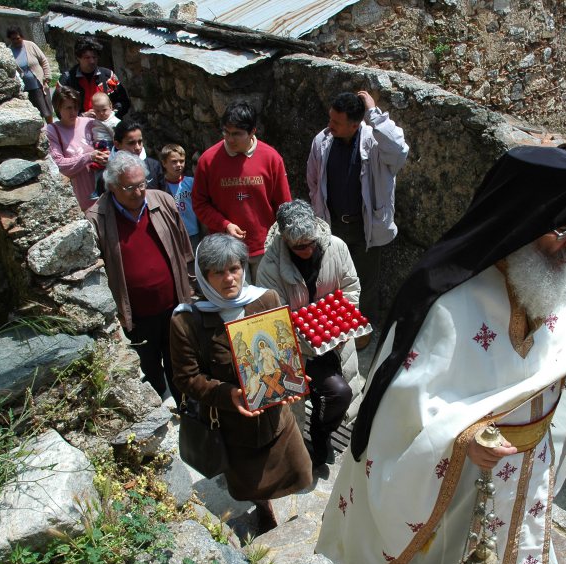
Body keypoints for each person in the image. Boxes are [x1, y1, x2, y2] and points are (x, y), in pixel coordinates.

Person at [315, 146, 566, 564]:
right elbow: (403, 408)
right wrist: (462, 441)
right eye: (564, 229)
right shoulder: (449, 301)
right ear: (525, 219)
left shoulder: (553, 276)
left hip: (529, 469)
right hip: (457, 479)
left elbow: (560, 346)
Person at [170, 233, 312, 533]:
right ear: (204, 276)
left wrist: (292, 376)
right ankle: (263, 507)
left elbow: (280, 348)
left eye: (234, 269)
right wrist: (227, 394)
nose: (229, 279)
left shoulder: (265, 299)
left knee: (297, 470)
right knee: (252, 483)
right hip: (235, 426)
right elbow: (186, 378)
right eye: (218, 272)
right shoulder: (187, 321)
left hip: (275, 416)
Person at [256, 200, 361, 467]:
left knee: (340, 394)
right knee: (318, 396)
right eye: (299, 247)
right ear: (285, 242)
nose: (307, 250)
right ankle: (306, 438)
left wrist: (337, 319)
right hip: (298, 348)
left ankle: (321, 431)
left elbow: (351, 287)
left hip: (335, 342)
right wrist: (308, 331)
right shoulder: (269, 267)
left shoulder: (336, 247)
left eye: (312, 243)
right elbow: (273, 318)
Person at [86, 152, 193, 400]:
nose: (138, 192)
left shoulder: (162, 202)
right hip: (135, 317)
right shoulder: (96, 218)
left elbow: (185, 251)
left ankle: (188, 413)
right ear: (112, 186)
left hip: (173, 308)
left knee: (181, 366)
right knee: (149, 371)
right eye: (129, 187)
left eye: (142, 184)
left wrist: (192, 293)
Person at [307, 90, 408, 336]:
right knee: (331, 281)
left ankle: (362, 332)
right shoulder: (322, 140)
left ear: (355, 124)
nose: (329, 126)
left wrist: (374, 114)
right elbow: (312, 180)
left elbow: (399, 150)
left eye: (336, 122)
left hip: (366, 228)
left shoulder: (374, 142)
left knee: (365, 284)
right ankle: (335, 330)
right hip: (332, 226)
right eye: (330, 119)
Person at [192, 100, 292, 282]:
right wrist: (224, 225)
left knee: (267, 303)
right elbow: (199, 204)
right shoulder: (208, 161)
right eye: (226, 132)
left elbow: (284, 206)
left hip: (265, 249)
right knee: (235, 307)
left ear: (253, 131)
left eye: (237, 134)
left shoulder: (271, 158)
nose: (230, 139)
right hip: (226, 251)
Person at [46, 86, 108, 212]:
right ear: (58, 108)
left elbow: (110, 146)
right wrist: (89, 157)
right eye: (68, 108)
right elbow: (59, 165)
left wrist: (106, 156)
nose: (73, 112)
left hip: (106, 194)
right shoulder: (52, 131)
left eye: (76, 107)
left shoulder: (90, 123)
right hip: (80, 201)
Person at [58, 36, 130, 118]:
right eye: (87, 58)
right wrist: (81, 116)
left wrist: (111, 113)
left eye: (94, 57)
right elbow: (59, 109)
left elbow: (124, 102)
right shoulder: (67, 80)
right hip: (78, 127)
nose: (92, 61)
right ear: (78, 58)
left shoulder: (108, 77)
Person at [6, 26, 54, 123]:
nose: (15, 41)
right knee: (34, 115)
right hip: (24, 89)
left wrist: (47, 76)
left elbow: (44, 60)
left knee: (47, 111)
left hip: (39, 85)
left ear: (22, 37)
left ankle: (52, 130)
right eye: (13, 39)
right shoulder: (9, 51)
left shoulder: (30, 45)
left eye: (17, 38)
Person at [160, 143, 202, 251]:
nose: (179, 165)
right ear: (164, 163)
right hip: (172, 234)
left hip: (193, 231)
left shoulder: (191, 183)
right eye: (174, 162)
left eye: (182, 161)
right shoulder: (161, 186)